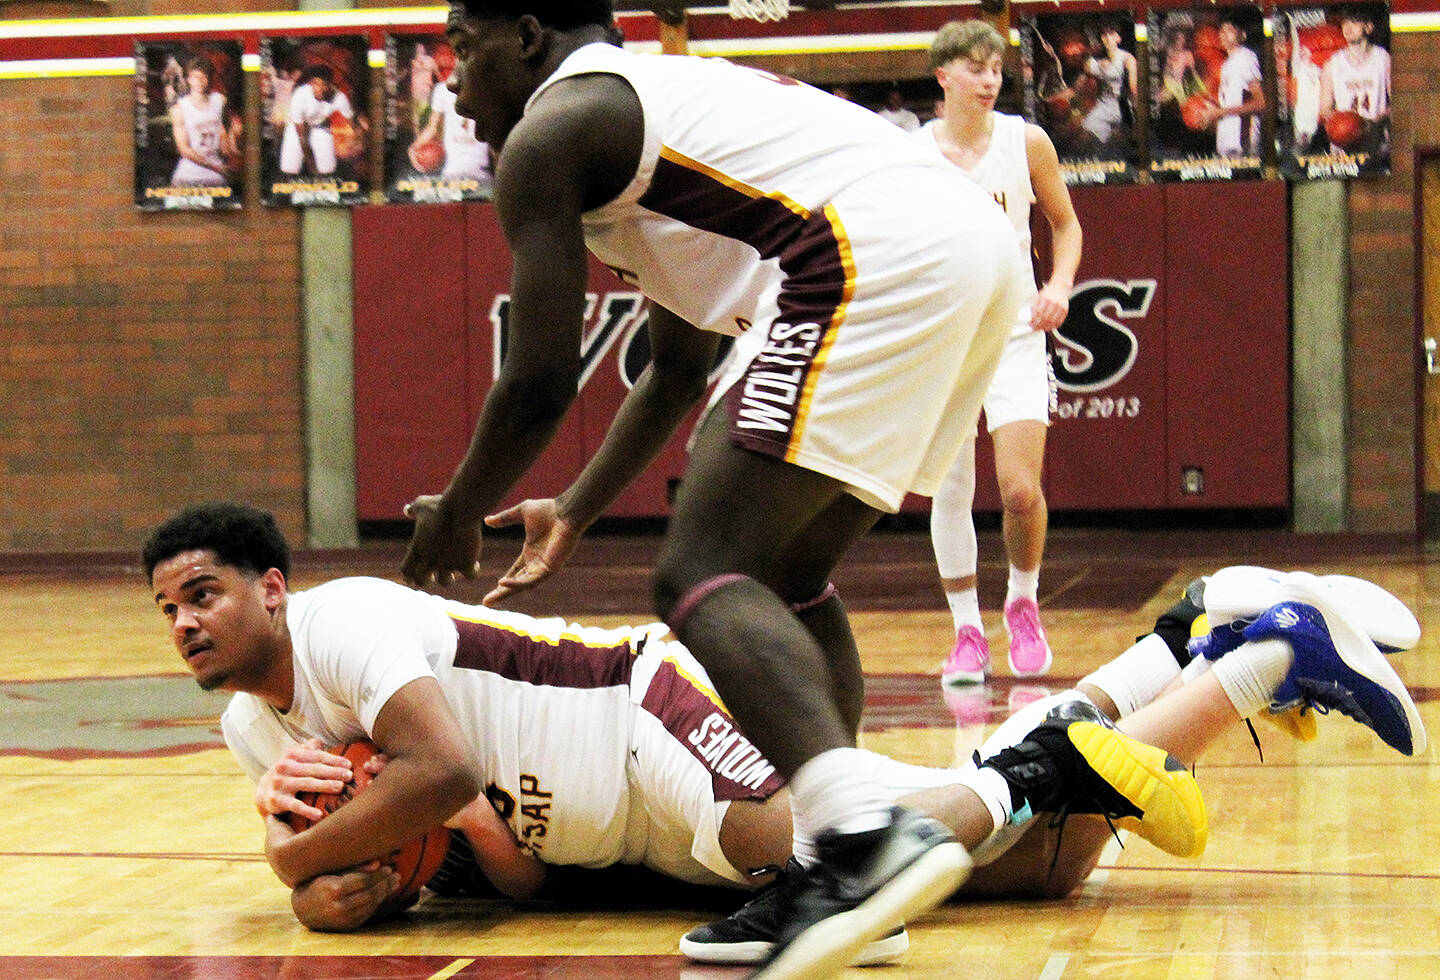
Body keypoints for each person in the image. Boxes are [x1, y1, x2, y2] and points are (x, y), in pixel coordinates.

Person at [397, 3, 1030, 974]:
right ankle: (841, 878)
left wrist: (454, 509)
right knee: (784, 575)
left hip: (872, 251)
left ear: (527, 36)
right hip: (967, 246)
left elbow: (535, 380)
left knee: (698, 567)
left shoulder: (552, 130)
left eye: (465, 50)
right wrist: (573, 508)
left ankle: (859, 840)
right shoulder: (648, 117)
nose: (456, 82)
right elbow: (679, 362)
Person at [144, 500, 1207, 944]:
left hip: (630, 706)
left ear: (273, 589)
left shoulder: (349, 624)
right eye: (169, 610)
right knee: (1039, 867)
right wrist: (355, 887)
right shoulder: (253, 728)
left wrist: (295, 864)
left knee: (792, 843)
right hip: (600, 840)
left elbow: (443, 763)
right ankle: (1189, 654)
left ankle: (1042, 762)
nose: (186, 622)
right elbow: (504, 861)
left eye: (203, 594)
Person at [918, 21, 1082, 686]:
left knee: (1019, 489)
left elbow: (1066, 225)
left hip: (1015, 331)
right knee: (950, 490)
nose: (990, 80)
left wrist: (1060, 286)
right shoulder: (911, 154)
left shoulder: (1025, 141)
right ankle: (965, 631)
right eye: (976, 69)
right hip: (945, 342)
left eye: (996, 70)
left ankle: (1022, 601)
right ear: (944, 77)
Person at [1317, 7, 1390, 156]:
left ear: (1368, 27)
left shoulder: (1383, 59)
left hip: (1375, 143)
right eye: (1345, 23)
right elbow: (1325, 109)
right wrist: (1342, 124)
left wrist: (1376, 120)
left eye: (1354, 23)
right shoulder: (1332, 64)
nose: (1348, 28)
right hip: (1344, 148)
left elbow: (1399, 102)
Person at [408, 70, 493, 184]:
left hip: (452, 171)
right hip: (481, 171)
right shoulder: (489, 89)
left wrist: (414, 148)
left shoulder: (443, 89)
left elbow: (432, 128)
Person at [168, 56, 239, 188]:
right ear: (188, 79)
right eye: (195, 77)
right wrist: (215, 167)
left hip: (216, 174)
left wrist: (231, 136)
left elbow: (226, 134)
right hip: (188, 175)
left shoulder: (219, 100)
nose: (199, 81)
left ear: (208, 78)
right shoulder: (180, 109)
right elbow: (183, 149)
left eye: (203, 77)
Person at [279, 64, 357, 177]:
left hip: (320, 126)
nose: (316, 87)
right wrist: (310, 161)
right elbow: (301, 135)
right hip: (297, 128)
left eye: (320, 84)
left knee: (327, 168)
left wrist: (352, 140)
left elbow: (350, 120)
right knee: (289, 167)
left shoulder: (339, 97)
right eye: (314, 83)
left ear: (328, 86)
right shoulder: (300, 95)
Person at [1209, 16, 1264, 158]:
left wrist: (1221, 112)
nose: (1223, 34)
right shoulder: (1226, 65)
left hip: (1241, 143)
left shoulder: (1246, 57)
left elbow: (1260, 102)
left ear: (1242, 35)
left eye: (1229, 30)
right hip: (1226, 142)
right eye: (1221, 31)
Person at [1080, 21, 1137, 148]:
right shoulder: (1097, 60)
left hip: (1123, 106)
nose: (1106, 38)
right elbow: (1085, 71)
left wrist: (1136, 113)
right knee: (1087, 128)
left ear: (1118, 38)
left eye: (1111, 34)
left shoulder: (1127, 58)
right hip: (1104, 106)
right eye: (1104, 35)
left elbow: (1134, 88)